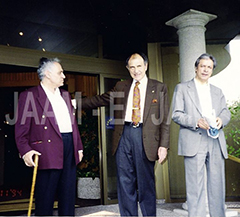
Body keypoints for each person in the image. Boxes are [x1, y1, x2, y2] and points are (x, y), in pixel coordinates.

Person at [81, 52, 170, 216]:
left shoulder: (159, 87)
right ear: (128, 69)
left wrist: (163, 145)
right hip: (123, 136)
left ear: (146, 66)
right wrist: (74, 103)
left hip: (146, 137)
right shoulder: (121, 86)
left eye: (139, 66)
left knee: (146, 183)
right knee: (125, 182)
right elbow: (101, 99)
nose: (136, 71)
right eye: (132, 67)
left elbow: (164, 120)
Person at [15, 57, 83, 216]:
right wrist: (26, 151)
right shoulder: (30, 95)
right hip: (45, 150)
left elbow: (73, 124)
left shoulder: (65, 95)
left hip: (69, 147)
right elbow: (21, 129)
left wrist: (78, 146)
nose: (63, 76)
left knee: (68, 195)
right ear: (47, 74)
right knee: (45, 198)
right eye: (60, 72)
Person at [172, 53, 231, 217]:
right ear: (196, 68)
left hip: (215, 140)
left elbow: (226, 112)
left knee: (217, 186)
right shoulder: (182, 88)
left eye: (209, 67)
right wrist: (196, 121)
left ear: (212, 70)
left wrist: (221, 120)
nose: (206, 69)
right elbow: (176, 114)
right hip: (194, 139)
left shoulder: (217, 91)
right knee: (195, 187)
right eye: (203, 66)